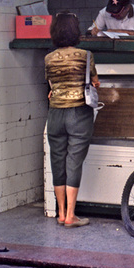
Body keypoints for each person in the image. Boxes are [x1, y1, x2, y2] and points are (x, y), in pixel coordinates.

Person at [44, 11, 101, 228]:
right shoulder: (85, 55)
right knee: (74, 161)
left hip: (55, 114)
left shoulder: (48, 58)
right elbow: (95, 82)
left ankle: (59, 213)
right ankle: (70, 215)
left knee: (57, 161)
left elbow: (51, 86)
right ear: (75, 31)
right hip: (78, 113)